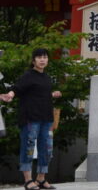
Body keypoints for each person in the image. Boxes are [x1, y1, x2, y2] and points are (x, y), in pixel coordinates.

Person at [1, 48, 61, 190]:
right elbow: (16, 88)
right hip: (30, 119)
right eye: (39, 57)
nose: (42, 60)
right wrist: (10, 94)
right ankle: (28, 181)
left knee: (46, 149)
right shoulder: (28, 75)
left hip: (46, 119)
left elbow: (39, 94)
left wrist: (53, 94)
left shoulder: (46, 77)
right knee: (28, 148)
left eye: (45, 57)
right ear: (33, 60)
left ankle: (41, 179)